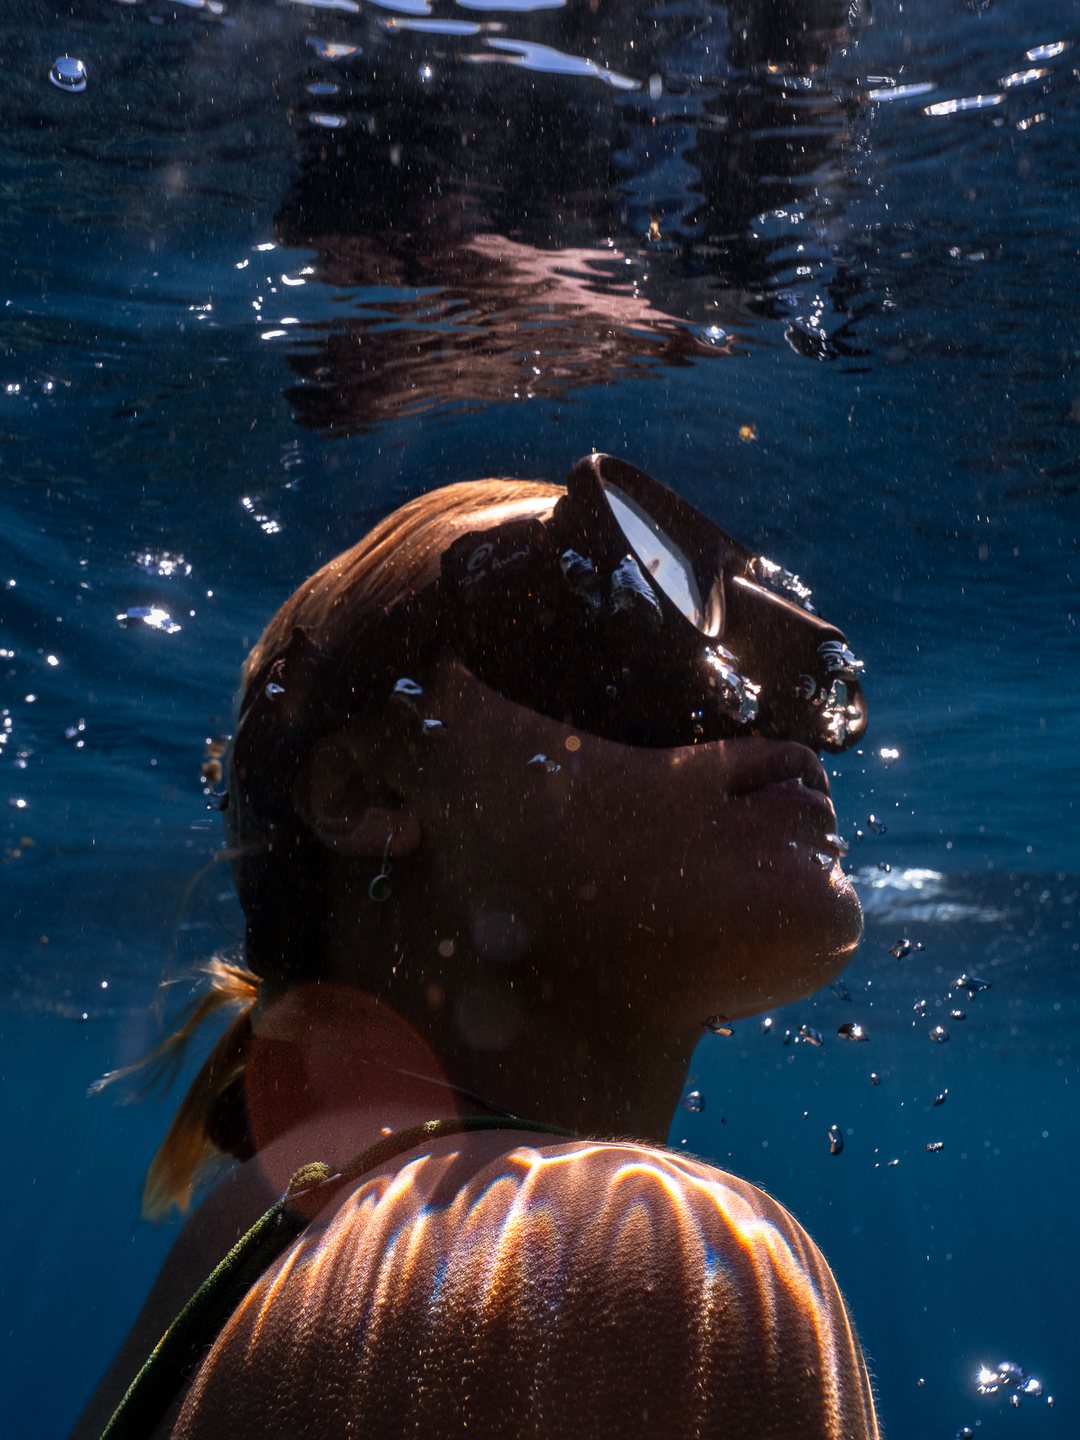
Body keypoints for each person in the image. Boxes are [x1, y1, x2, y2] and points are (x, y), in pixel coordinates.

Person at [76, 454, 878, 1440]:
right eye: (605, 619)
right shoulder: (634, 1259)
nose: (739, 697)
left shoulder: (255, 1234)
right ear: (369, 791)